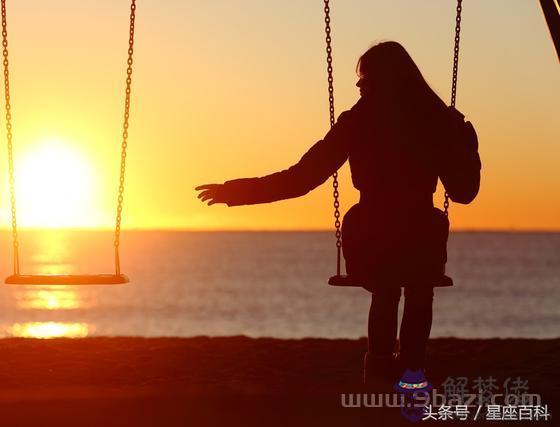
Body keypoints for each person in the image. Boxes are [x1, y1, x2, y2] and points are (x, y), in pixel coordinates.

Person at [195, 41, 481, 390]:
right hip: (420, 235)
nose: (358, 86)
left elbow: (301, 179)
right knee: (418, 289)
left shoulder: (358, 122)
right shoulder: (435, 120)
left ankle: (380, 371)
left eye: (364, 78)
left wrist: (237, 192)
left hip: (373, 235)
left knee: (389, 288)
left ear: (383, 80)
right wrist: (467, 146)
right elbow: (464, 192)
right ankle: (411, 369)